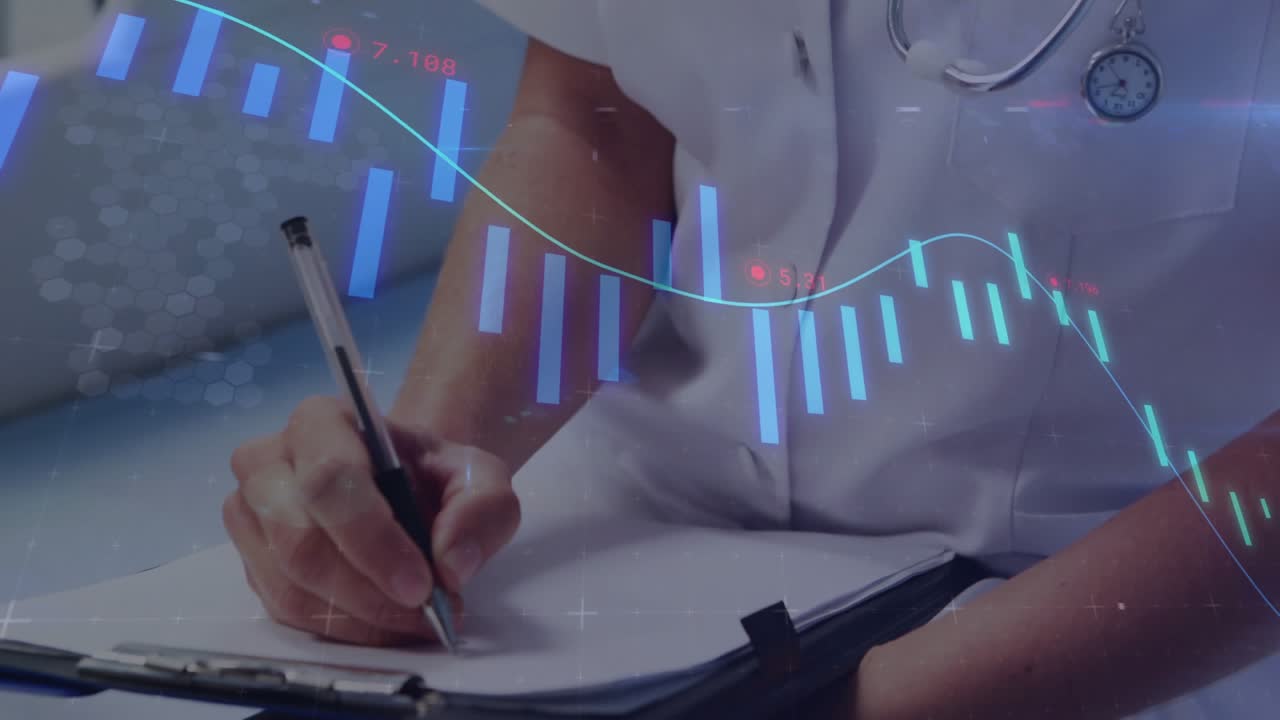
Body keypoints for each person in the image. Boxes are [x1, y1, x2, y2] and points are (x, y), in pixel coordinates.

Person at [222, 1, 1280, 717]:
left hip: (1090, 627)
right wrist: (424, 476)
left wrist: (860, 703)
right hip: (623, 577)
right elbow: (600, 107)